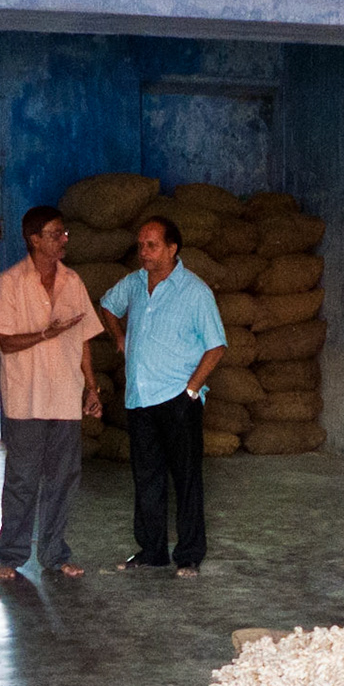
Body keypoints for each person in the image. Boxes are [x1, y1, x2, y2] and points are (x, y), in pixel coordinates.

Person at [96, 216, 227, 577]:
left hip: (177, 399)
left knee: (185, 480)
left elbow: (216, 347)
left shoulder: (195, 291)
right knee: (147, 478)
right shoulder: (134, 284)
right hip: (139, 399)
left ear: (172, 249)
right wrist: (118, 337)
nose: (144, 252)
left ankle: (188, 555)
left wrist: (191, 390)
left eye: (152, 245)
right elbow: (107, 304)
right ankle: (152, 550)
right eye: (141, 245)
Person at [0, 205, 104, 580]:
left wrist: (92, 387)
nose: (63, 239)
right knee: (22, 479)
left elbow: (84, 340)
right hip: (25, 400)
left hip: (65, 397)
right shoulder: (9, 283)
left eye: (64, 233)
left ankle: (55, 554)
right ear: (34, 239)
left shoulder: (73, 282)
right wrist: (45, 334)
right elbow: (5, 342)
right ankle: (10, 555)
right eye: (56, 234)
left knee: (62, 480)